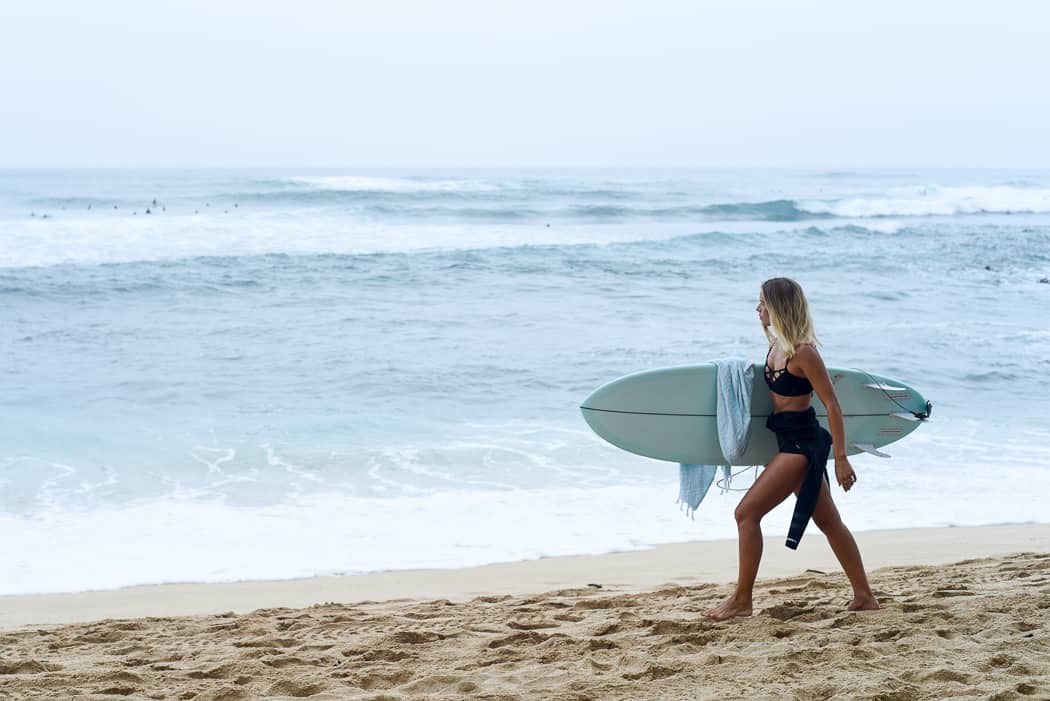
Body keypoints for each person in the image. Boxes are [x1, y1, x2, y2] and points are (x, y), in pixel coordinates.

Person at [705, 277, 880, 620]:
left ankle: (742, 600)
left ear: (779, 308)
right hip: (787, 442)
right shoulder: (774, 348)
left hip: (802, 446)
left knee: (746, 514)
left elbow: (832, 405)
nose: (757, 309)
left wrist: (841, 459)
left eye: (762, 303)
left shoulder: (804, 353)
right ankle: (864, 596)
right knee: (829, 522)